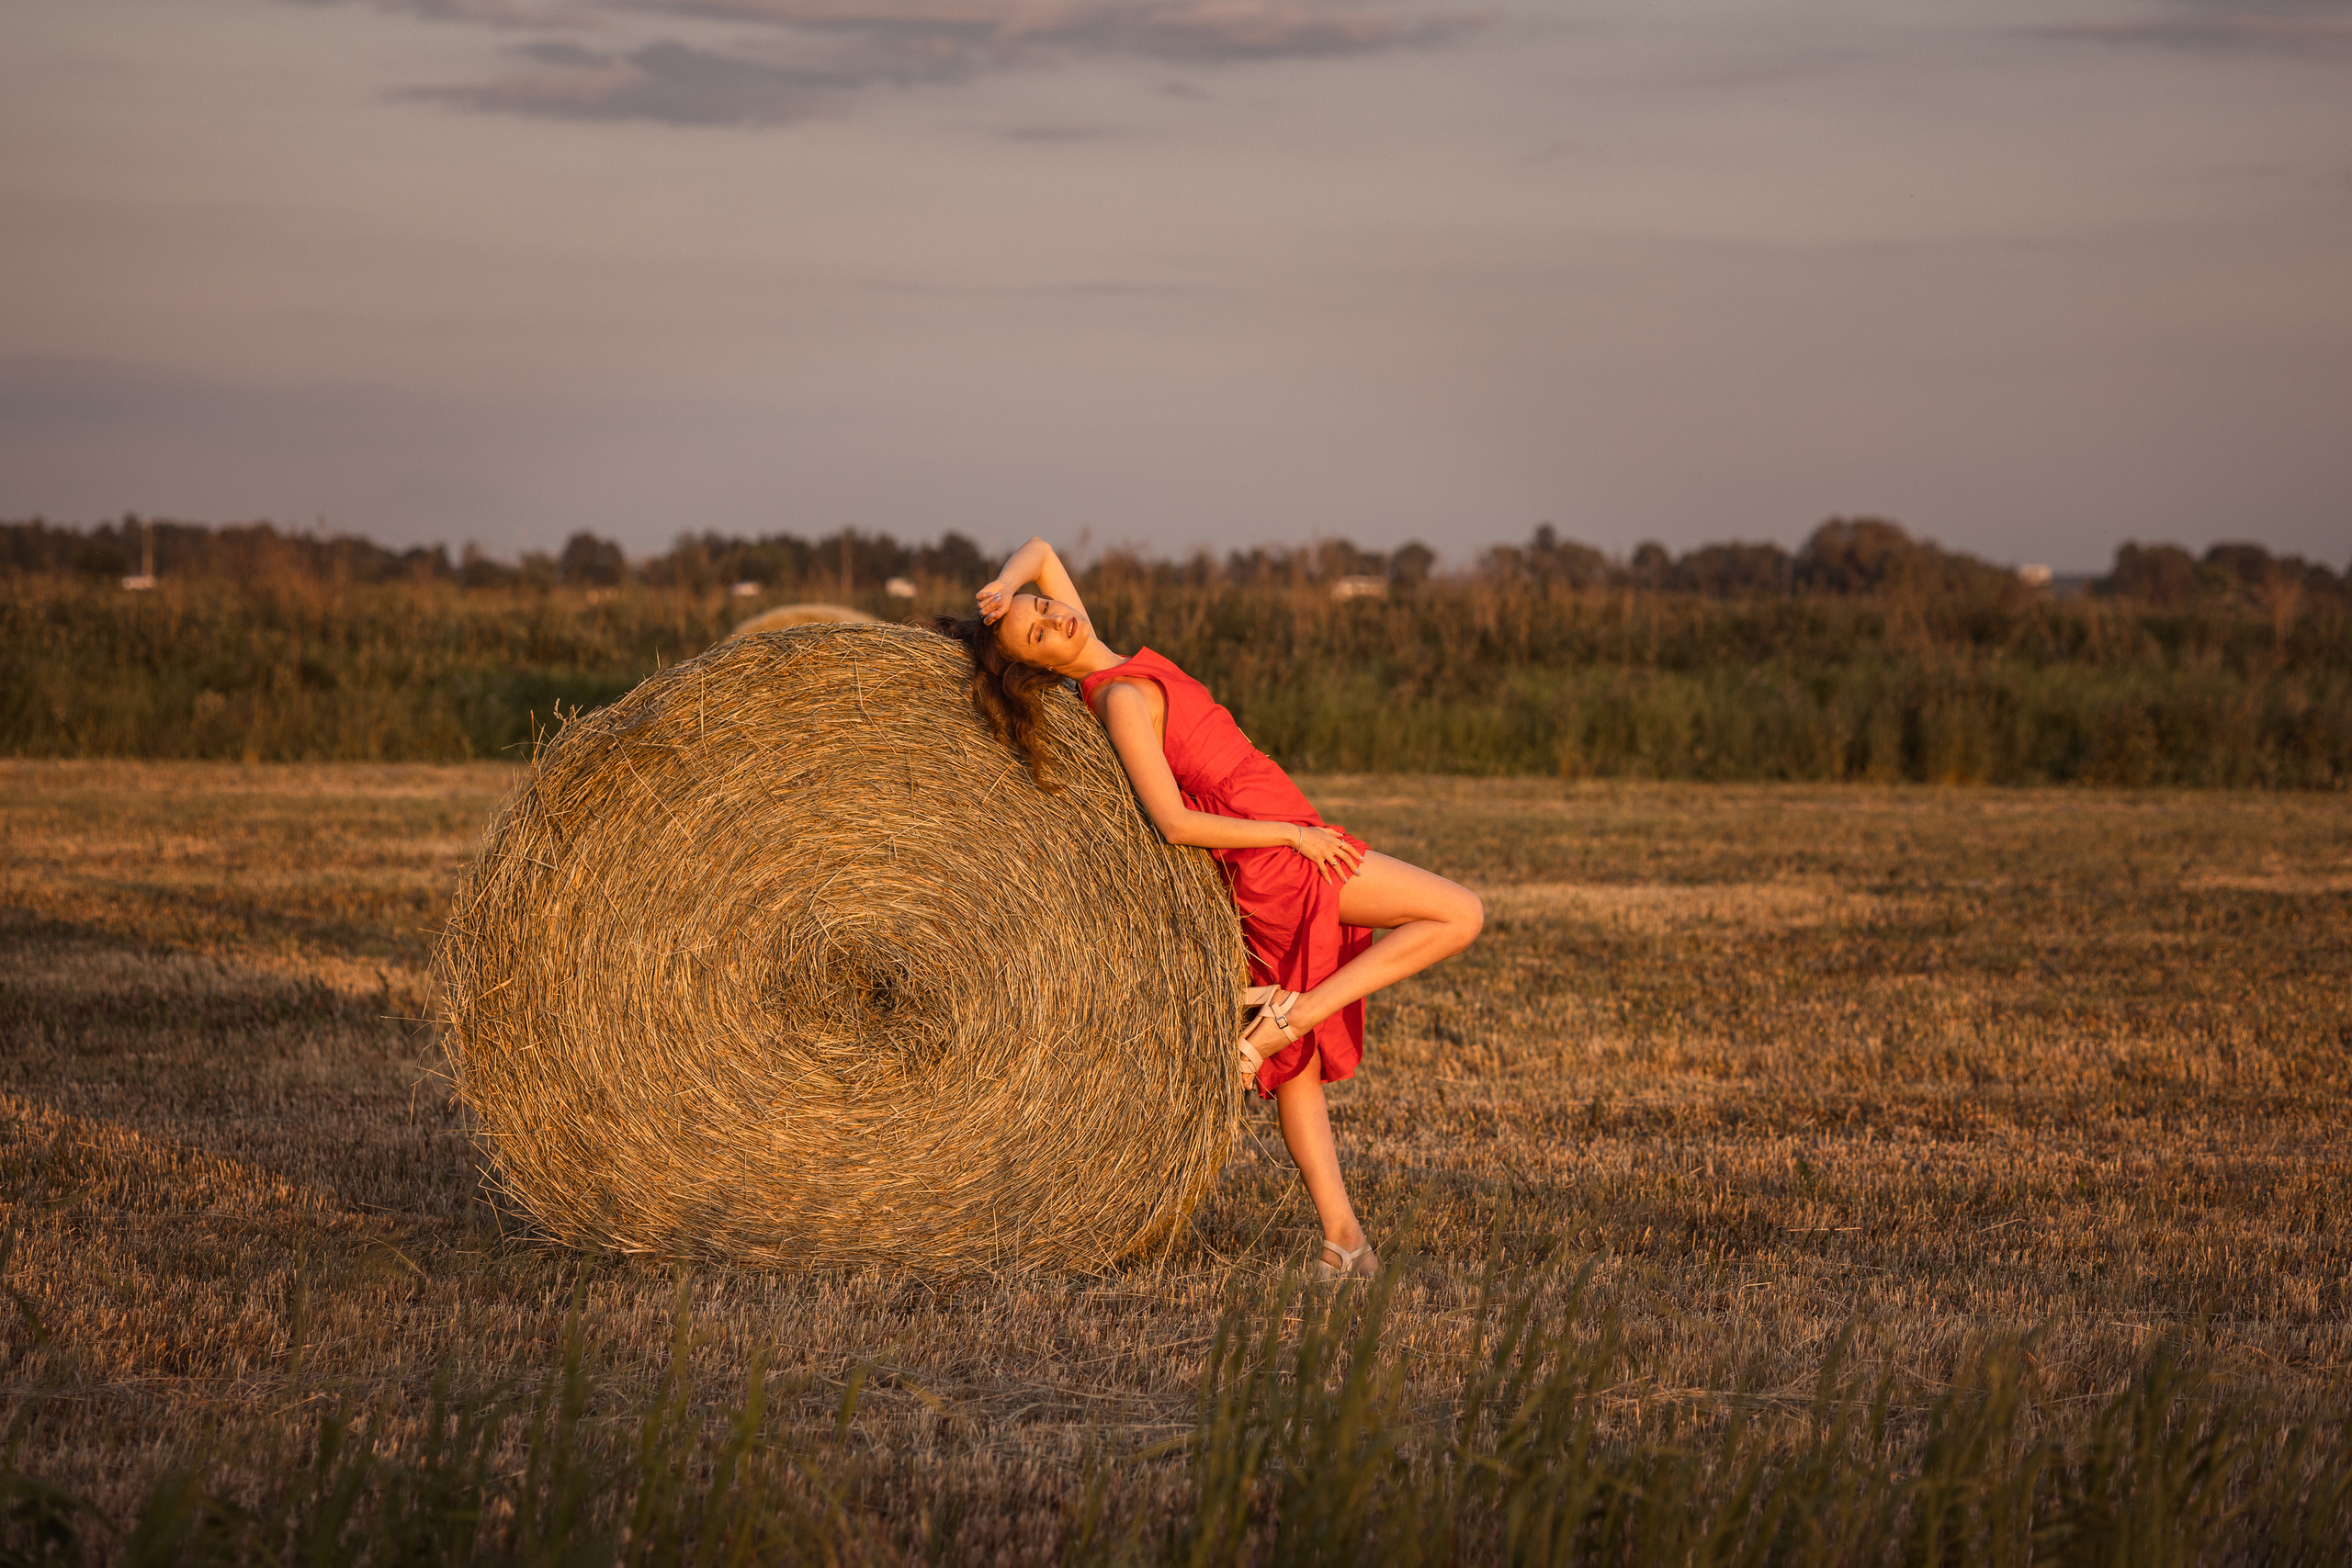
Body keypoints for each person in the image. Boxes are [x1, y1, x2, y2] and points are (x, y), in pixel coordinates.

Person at [933, 537, 1483, 1281]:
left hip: (1286, 836)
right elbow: (1175, 822)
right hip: (1279, 857)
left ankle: (1343, 1241)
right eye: (1037, 632)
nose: (1054, 616)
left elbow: (1041, 551)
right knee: (1460, 913)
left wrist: (1001, 588)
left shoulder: (1102, 655)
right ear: (1039, 667)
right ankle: (1291, 1012)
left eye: (1044, 606)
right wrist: (1294, 835)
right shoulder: (1120, 698)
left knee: (1300, 1075)